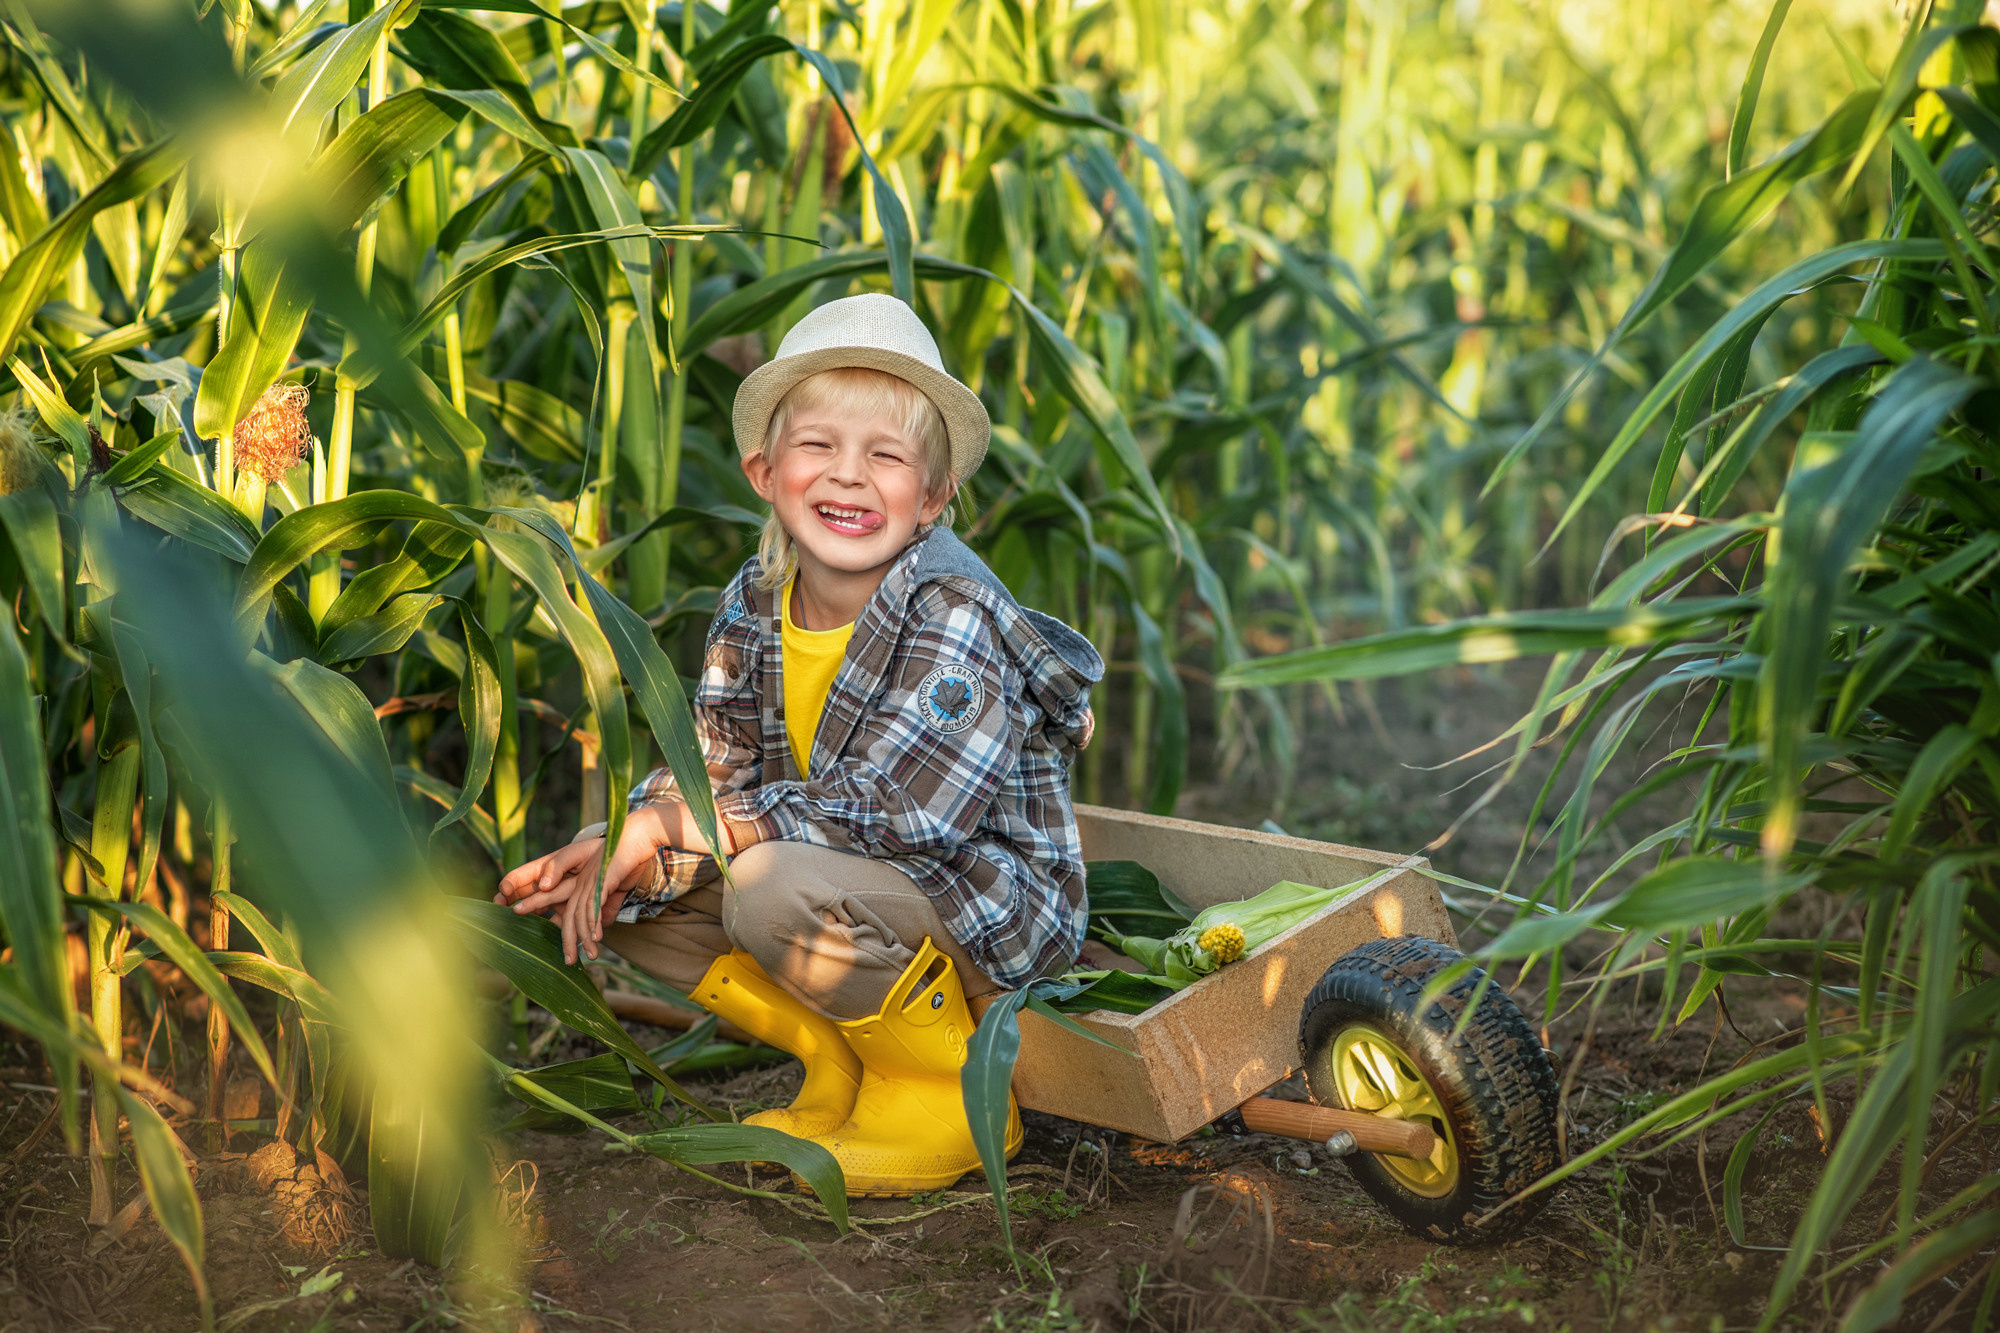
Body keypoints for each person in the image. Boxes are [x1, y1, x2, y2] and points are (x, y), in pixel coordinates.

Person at [494, 293, 1104, 1197]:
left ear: (932, 496)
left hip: (986, 906)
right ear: (765, 470)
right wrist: (630, 837)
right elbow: (717, 763)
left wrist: (676, 826)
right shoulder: (754, 600)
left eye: (886, 457)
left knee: (763, 885)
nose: (849, 476)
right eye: (819, 447)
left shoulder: (953, 614)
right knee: (627, 894)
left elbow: (902, 817)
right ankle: (844, 1063)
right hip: (852, 880)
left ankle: (943, 1094)